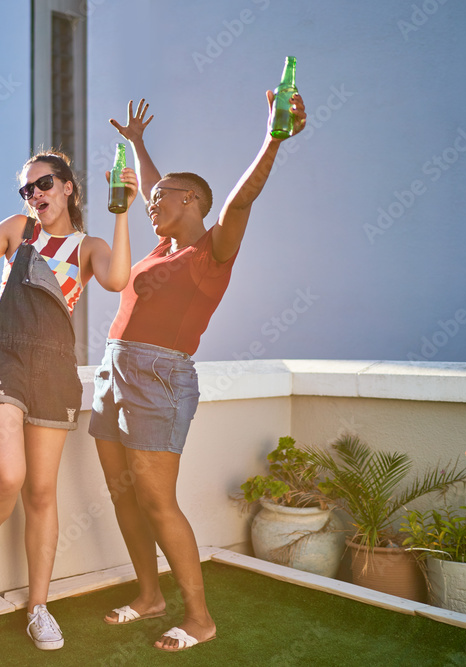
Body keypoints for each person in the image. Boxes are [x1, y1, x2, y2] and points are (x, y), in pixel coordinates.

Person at [90, 94, 306, 652]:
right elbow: (161, 184)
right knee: (122, 495)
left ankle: (200, 617)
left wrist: (274, 137)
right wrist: (138, 145)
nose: (148, 203)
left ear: (191, 202)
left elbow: (239, 199)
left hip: (160, 377)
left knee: (159, 501)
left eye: (159, 199)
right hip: (114, 370)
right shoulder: (164, 246)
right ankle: (149, 595)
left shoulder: (212, 250)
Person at [0, 151, 136, 650]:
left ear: (70, 187)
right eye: (28, 188)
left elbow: (119, 279)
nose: (35, 194)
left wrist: (123, 211)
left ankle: (39, 606)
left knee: (40, 494)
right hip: (2, 357)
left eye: (45, 184)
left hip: (55, 368)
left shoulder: (87, 247)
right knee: (8, 475)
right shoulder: (19, 231)